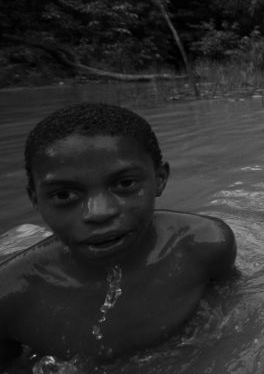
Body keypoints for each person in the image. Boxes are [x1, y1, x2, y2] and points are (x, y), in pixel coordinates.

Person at [0, 102, 237, 368]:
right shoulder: (10, 296)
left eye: (125, 184)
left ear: (159, 179)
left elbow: (229, 313)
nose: (99, 212)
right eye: (64, 195)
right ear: (35, 199)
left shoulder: (207, 245)